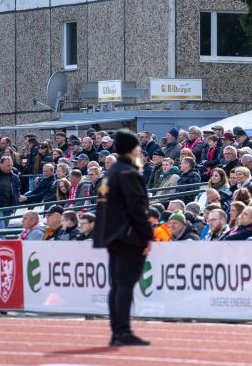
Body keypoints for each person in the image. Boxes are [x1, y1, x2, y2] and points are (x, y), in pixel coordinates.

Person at [93, 130, 153, 347]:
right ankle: (123, 332)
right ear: (132, 148)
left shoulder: (110, 173)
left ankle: (117, 331)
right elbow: (138, 208)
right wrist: (147, 235)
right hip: (128, 236)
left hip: (112, 236)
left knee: (117, 285)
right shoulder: (128, 172)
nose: (139, 150)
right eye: (137, 147)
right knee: (125, 284)